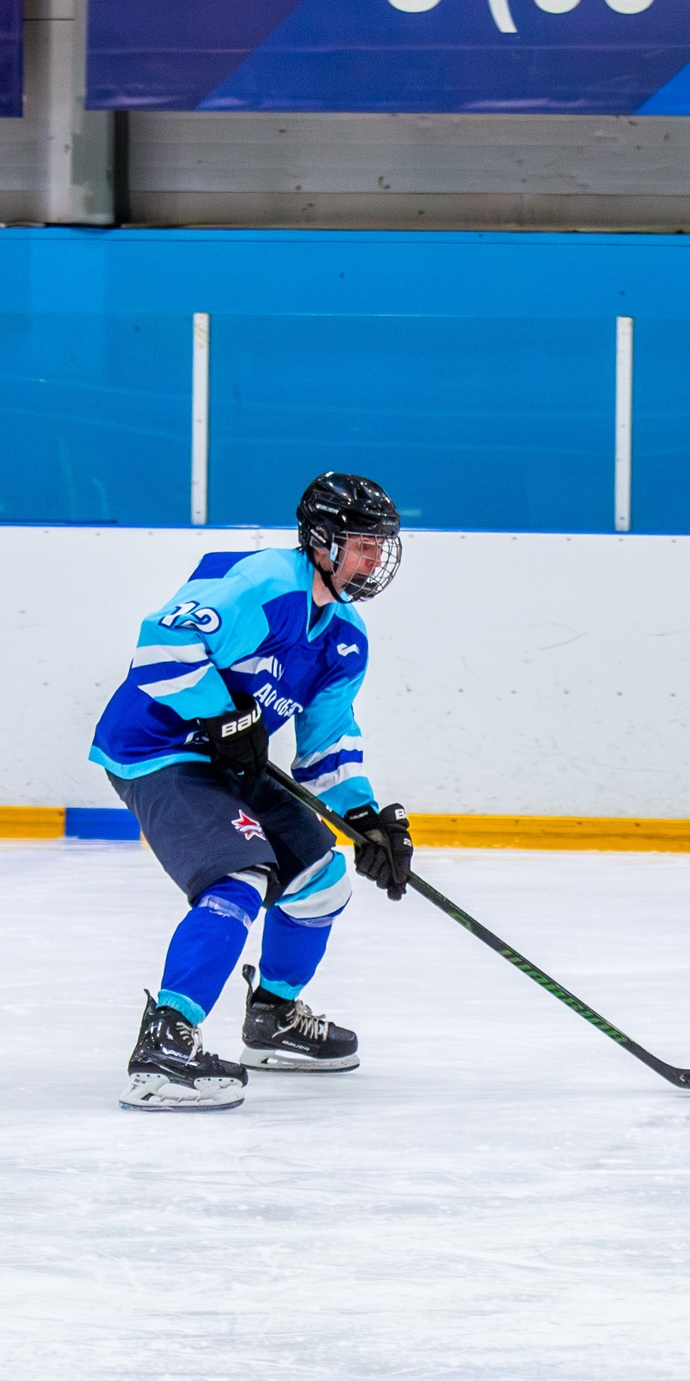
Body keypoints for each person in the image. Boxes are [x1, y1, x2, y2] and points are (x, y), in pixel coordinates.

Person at [88, 472, 417, 1111]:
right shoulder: (262, 584)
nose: (375, 558)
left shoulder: (345, 637)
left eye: (381, 546)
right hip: (157, 749)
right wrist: (221, 714)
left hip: (235, 762)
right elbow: (161, 646)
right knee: (240, 879)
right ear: (321, 540)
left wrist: (366, 819)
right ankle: (164, 1046)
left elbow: (327, 744)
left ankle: (273, 1019)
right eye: (362, 543)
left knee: (322, 882)